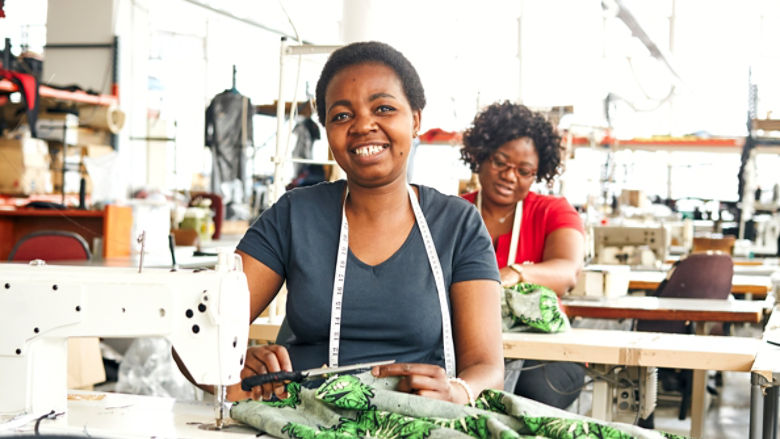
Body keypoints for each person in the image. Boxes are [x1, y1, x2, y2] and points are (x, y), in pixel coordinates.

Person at [227, 41, 504, 405]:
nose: (363, 125)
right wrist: (233, 363)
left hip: (411, 421)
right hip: (302, 418)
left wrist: (458, 391)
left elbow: (487, 366)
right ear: (326, 129)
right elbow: (200, 331)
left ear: (416, 120)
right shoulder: (293, 216)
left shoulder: (457, 224)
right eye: (341, 116)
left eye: (384, 108)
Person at [459, 101, 585, 409]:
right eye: (500, 162)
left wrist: (514, 273)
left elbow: (566, 273)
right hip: (467, 344)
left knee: (528, 399)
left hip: (543, 352)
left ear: (537, 173)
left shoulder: (553, 211)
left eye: (524, 171)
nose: (509, 176)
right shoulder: (454, 212)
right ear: (480, 156)